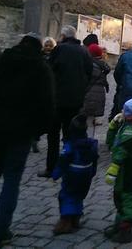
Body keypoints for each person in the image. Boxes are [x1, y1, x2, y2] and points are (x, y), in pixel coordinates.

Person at [0, 34, 54, 248]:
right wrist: (37, 131)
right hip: (20, 132)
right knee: (11, 181)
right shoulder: (40, 68)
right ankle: (1, 232)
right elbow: (48, 105)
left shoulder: (1, 61)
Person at [39, 26, 93, 178]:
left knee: (53, 135)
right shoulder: (84, 51)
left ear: (63, 36)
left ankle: (51, 167)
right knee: (71, 133)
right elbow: (90, 73)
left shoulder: (60, 49)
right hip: (76, 100)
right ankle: (70, 163)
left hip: (58, 99)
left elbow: (50, 71)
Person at [104, 94, 132, 243]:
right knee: (119, 193)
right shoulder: (125, 125)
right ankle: (119, 223)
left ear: (131, 115)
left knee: (125, 193)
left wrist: (114, 166)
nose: (122, 112)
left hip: (127, 165)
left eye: (125, 110)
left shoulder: (130, 130)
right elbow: (110, 143)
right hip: (125, 164)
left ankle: (126, 227)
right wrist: (112, 126)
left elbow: (120, 149)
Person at [51, 114, 99, 235]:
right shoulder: (91, 145)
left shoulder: (70, 145)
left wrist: (55, 174)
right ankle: (76, 217)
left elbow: (63, 161)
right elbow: (95, 159)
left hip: (72, 175)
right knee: (79, 195)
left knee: (67, 195)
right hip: (86, 174)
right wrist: (92, 172)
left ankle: (65, 221)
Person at [82, 44, 110, 128]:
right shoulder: (103, 67)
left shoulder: (86, 65)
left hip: (87, 92)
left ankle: (83, 138)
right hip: (100, 94)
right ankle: (90, 138)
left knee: (85, 119)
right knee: (92, 120)